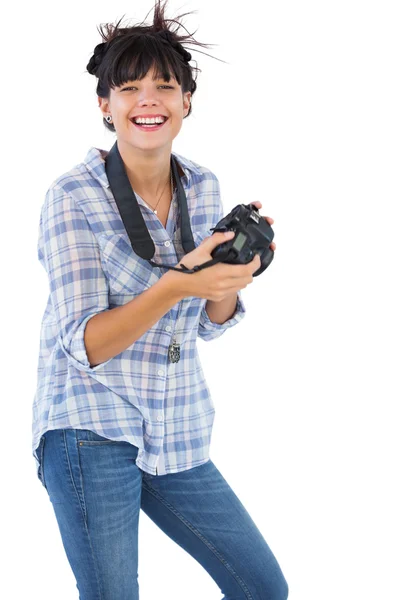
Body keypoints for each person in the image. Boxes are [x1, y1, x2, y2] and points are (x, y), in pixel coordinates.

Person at [32, 1, 287, 598]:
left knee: (262, 589)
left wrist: (232, 277)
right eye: (130, 88)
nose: (149, 100)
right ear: (105, 106)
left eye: (165, 86)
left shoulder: (204, 185)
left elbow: (207, 322)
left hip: (176, 424)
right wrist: (177, 282)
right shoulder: (71, 196)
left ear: (186, 102)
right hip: (88, 424)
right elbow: (85, 345)